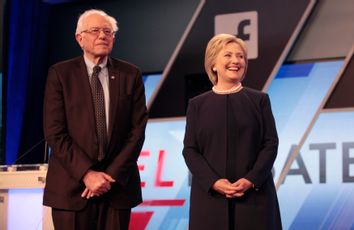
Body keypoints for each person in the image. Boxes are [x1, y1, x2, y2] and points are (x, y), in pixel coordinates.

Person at [43, 9, 148, 230]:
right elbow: (54, 132)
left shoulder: (131, 74)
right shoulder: (61, 74)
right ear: (79, 38)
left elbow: (137, 130)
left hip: (116, 189)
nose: (102, 35)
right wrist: (87, 174)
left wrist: (109, 176)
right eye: (95, 30)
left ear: (113, 38)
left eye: (107, 31)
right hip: (71, 190)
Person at [182, 34, 282, 229]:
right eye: (228, 55)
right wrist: (214, 182)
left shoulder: (259, 100)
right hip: (210, 200)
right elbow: (190, 150)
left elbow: (270, 144)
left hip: (255, 199)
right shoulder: (197, 105)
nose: (236, 61)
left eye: (241, 56)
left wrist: (250, 179)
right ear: (213, 64)